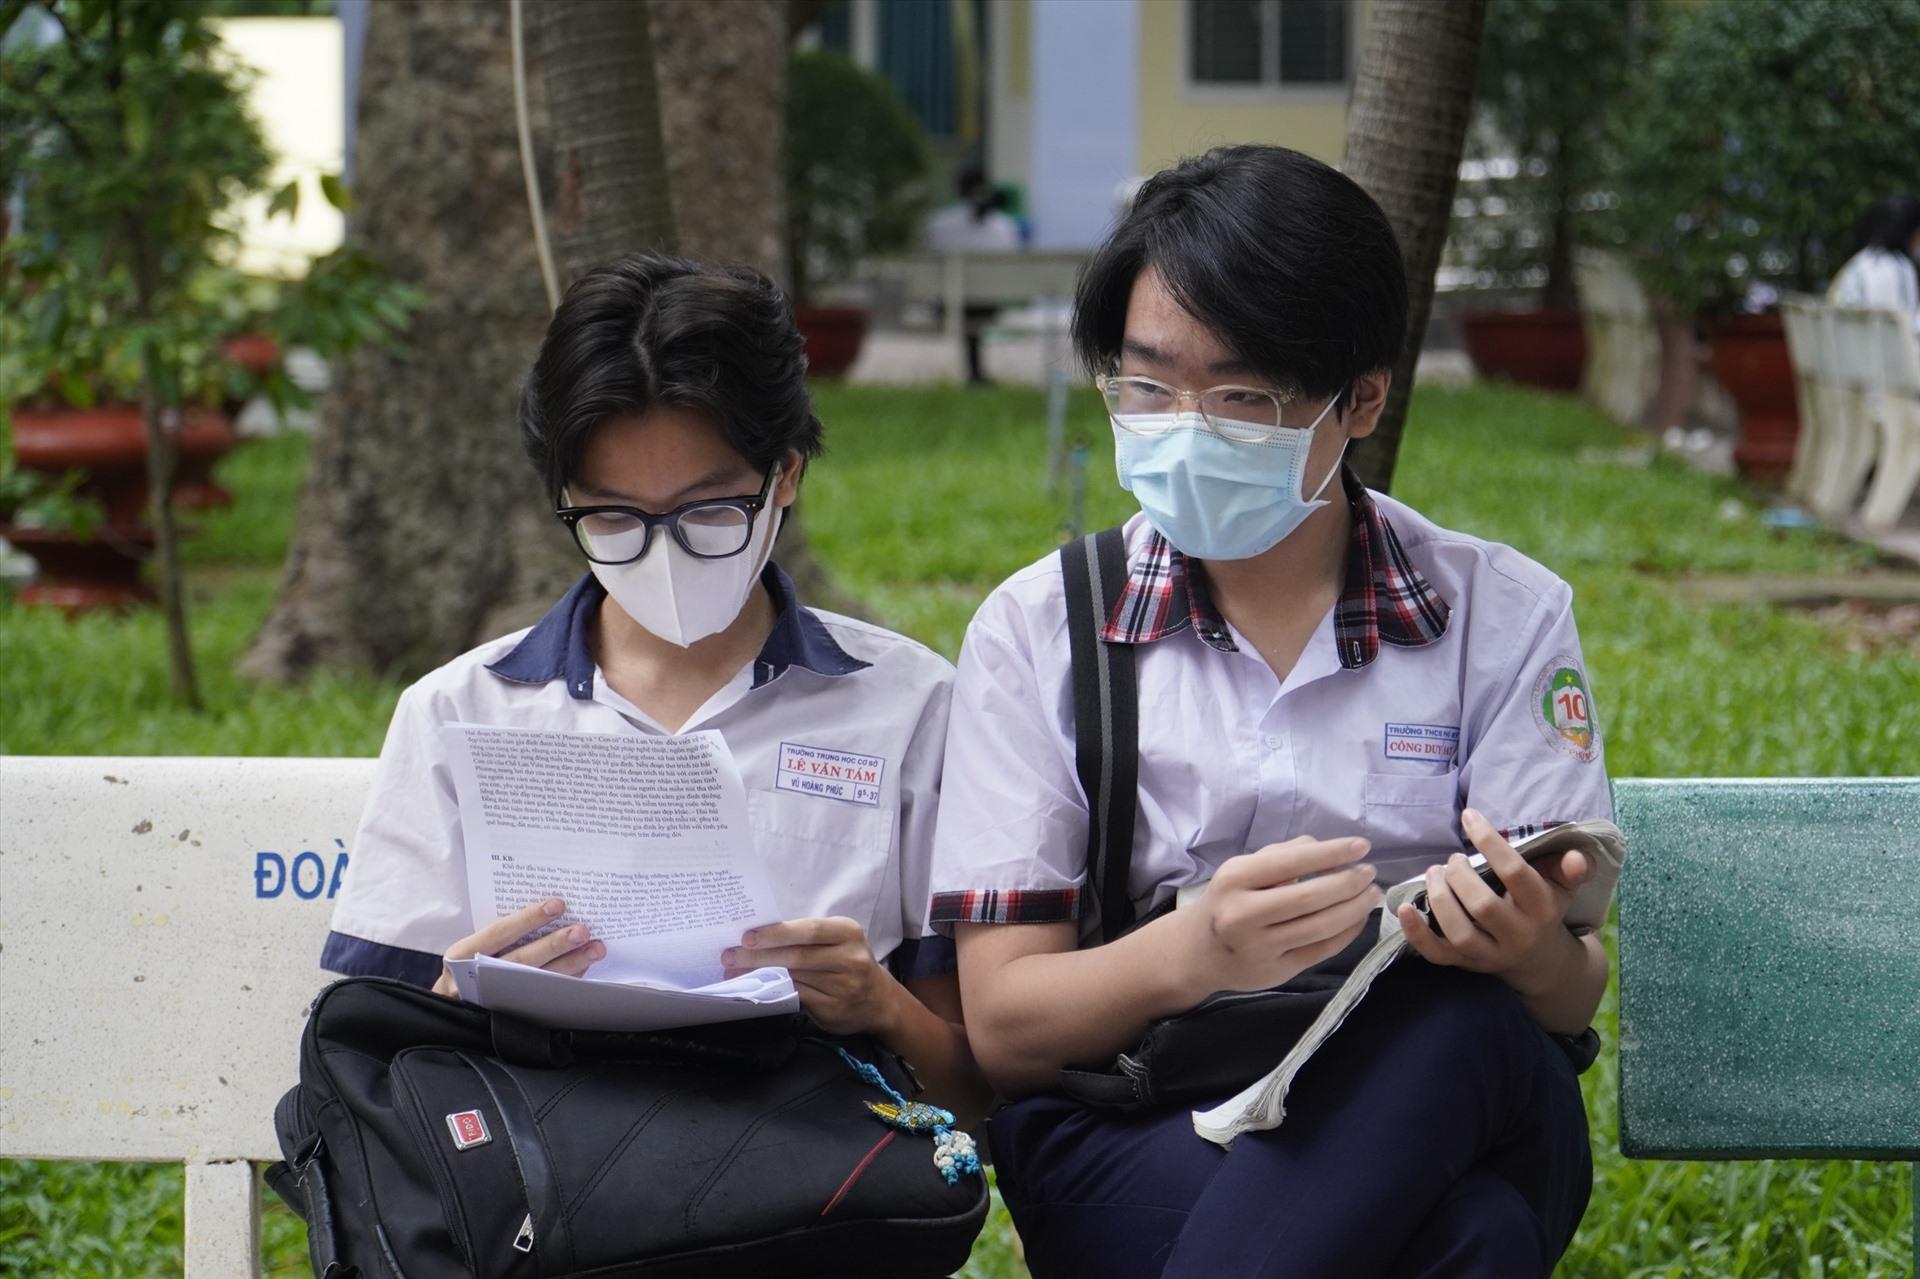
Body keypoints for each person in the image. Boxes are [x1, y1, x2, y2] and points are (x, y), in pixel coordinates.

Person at [928, 145, 1614, 1277]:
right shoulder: (1042, 629)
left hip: (1453, 1078)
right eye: (1146, 386)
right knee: (1471, 1238)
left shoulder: (1499, 614)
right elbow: (1003, 1026)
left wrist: (1530, 949)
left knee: (1471, 1024)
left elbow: (1572, 989)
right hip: (1138, 1119)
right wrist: (1191, 952)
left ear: (1363, 400)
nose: (1185, 426)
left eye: (1241, 396)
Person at [322, 254, 986, 1120]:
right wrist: (457, 994)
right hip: (548, 1203)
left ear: (785, 474)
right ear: (564, 498)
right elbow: (363, 1081)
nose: (664, 553)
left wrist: (879, 1003)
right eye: (614, 517)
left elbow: (977, 1097)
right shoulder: (461, 711)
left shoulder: (908, 707)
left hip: (806, 1197)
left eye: (710, 511)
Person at [923, 165, 1023, 385]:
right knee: (977, 295)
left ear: (957, 189)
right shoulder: (1004, 225)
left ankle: (974, 372)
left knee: (964, 295)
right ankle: (976, 373)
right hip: (988, 302)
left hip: (947, 301)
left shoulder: (939, 223)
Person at [1829, 194, 1920, 336]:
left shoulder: (1860, 262)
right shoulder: (1897, 268)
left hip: (1849, 351)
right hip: (1879, 355)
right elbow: (1899, 332)